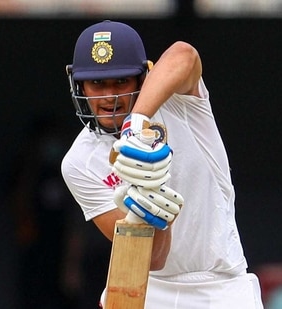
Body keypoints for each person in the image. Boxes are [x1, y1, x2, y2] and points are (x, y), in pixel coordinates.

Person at [61, 20, 263, 308]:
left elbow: (184, 54)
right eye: (97, 84)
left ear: (144, 78)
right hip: (150, 288)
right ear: (78, 85)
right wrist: (151, 201)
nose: (110, 96)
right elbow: (152, 259)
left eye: (121, 81)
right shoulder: (79, 162)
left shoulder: (178, 102)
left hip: (221, 284)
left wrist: (136, 123)